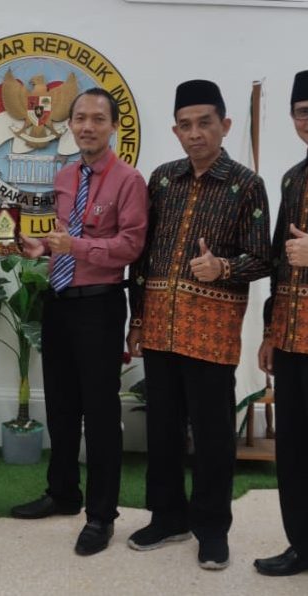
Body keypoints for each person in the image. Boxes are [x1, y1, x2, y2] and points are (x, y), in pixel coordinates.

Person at [127, 80, 271, 569]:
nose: (195, 133)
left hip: (211, 333)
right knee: (163, 429)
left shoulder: (246, 184)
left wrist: (222, 267)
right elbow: (143, 256)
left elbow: (263, 257)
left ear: (224, 125)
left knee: (212, 436)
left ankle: (212, 529)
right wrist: (137, 319)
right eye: (185, 125)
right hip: (160, 328)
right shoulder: (162, 180)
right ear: (175, 130)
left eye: (204, 123)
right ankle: (168, 517)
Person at [10, 88, 149, 556]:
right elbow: (62, 239)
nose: (88, 126)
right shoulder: (65, 176)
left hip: (100, 305)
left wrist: (78, 248)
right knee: (62, 406)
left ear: (113, 126)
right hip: (59, 301)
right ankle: (63, 493)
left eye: (98, 119)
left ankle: (101, 515)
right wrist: (42, 249)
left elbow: (131, 246)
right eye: (80, 118)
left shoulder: (129, 180)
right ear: (69, 125)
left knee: (101, 414)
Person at [254, 70, 308, 577]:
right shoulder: (292, 178)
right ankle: (301, 545)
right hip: (293, 337)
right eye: (302, 111)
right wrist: (271, 331)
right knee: (292, 448)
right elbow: (276, 261)